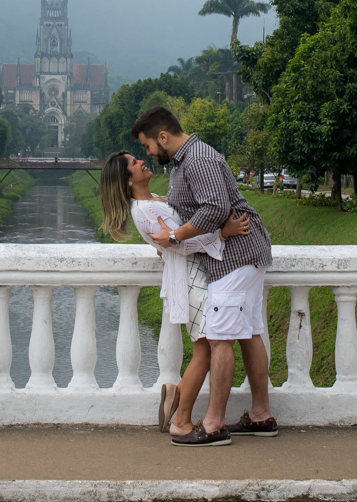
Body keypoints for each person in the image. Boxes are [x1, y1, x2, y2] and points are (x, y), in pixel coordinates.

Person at [132, 105, 277, 446]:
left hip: (235, 254)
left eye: (148, 145)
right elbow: (198, 205)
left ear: (163, 136)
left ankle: (213, 425)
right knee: (250, 332)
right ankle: (261, 415)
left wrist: (174, 236)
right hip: (240, 253)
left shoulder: (197, 158)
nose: (149, 153)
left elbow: (214, 207)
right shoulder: (188, 160)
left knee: (219, 338)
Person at [99, 150, 250, 439]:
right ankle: (180, 421)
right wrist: (223, 234)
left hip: (197, 273)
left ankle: (176, 398)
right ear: (128, 180)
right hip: (189, 278)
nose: (141, 161)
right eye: (134, 163)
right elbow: (178, 245)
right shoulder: (143, 211)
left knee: (206, 348)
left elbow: (174, 237)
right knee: (206, 350)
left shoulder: (153, 200)